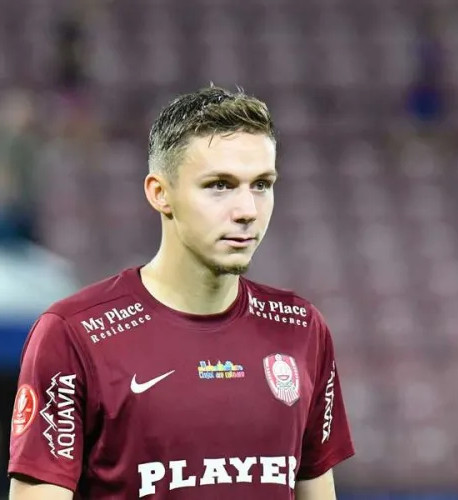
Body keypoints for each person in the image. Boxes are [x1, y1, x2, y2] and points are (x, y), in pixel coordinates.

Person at [8, 86, 354, 499]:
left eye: (262, 184)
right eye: (219, 185)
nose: (247, 210)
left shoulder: (301, 329)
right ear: (160, 193)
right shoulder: (73, 335)